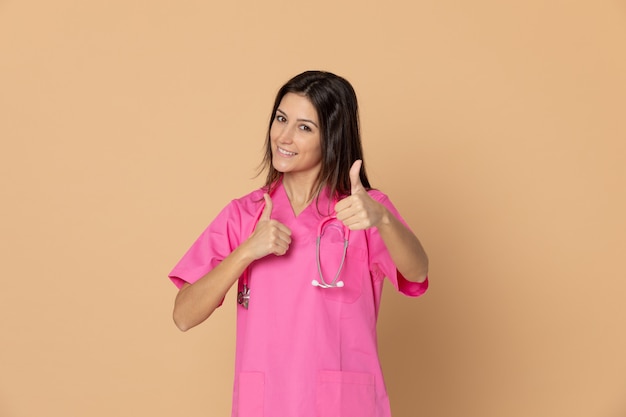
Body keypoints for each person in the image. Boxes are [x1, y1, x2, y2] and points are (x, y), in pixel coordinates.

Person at [168, 70, 429, 417]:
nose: (284, 137)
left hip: (342, 407)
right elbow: (184, 315)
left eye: (304, 127)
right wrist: (247, 251)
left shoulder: (361, 210)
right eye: (281, 119)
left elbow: (417, 272)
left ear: (332, 138)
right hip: (265, 405)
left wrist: (382, 218)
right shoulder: (246, 214)